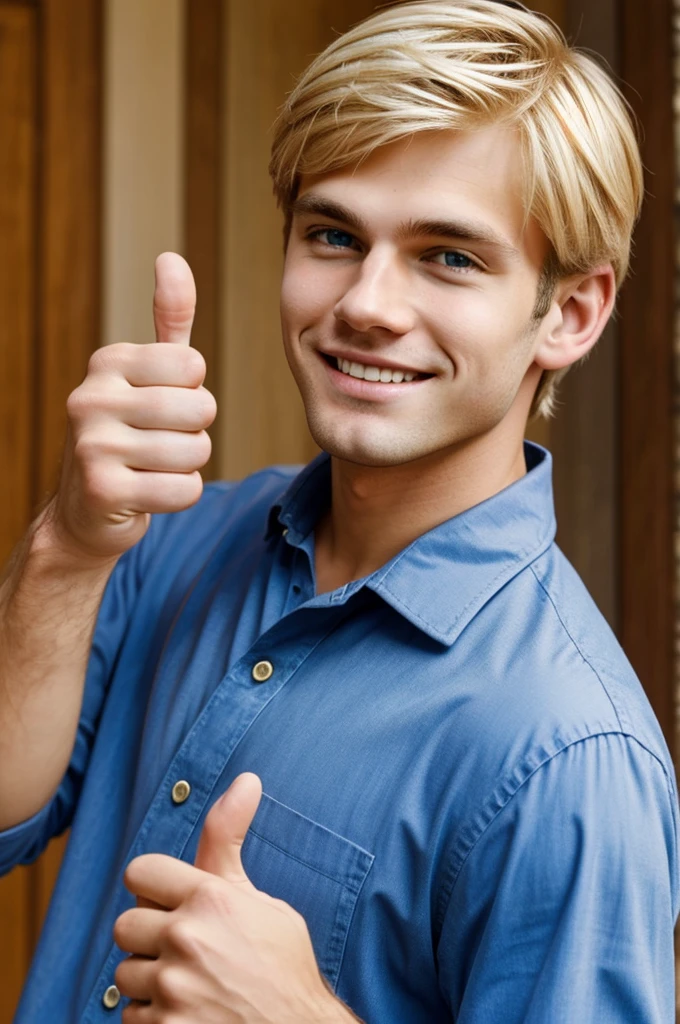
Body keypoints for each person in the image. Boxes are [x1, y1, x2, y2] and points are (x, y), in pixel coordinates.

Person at [1, 0, 677, 1021]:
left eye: (448, 256)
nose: (365, 302)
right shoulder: (176, 537)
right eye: (332, 234)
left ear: (568, 313)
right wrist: (66, 546)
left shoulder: (569, 755)